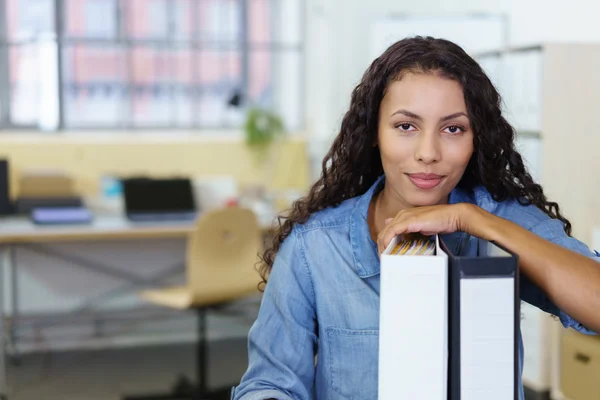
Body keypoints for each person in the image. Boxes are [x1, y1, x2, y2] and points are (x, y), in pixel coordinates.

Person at [231, 36, 600, 400]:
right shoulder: (314, 246)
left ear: (476, 139)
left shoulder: (501, 219)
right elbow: (269, 386)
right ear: (374, 132)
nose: (428, 153)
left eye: (453, 129)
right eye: (406, 126)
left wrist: (476, 221)